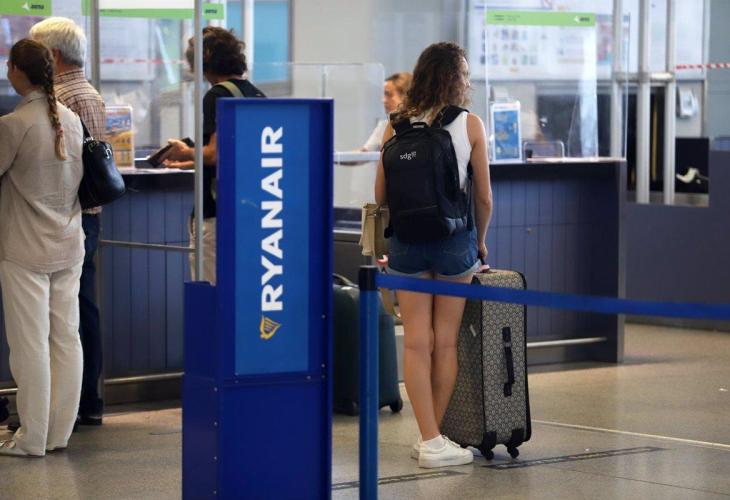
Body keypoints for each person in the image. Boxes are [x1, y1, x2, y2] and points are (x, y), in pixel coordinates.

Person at [374, 42, 493, 468]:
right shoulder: (469, 124)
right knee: (445, 341)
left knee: (416, 342)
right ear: (457, 79)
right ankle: (433, 439)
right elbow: (484, 197)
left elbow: (380, 196)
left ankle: (430, 437)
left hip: (407, 242)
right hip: (454, 241)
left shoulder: (395, 125)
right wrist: (480, 242)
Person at [0, 39, 85, 457]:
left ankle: (31, 438)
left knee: (30, 344)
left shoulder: (14, 124)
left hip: (25, 249)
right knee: (66, 338)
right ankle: (58, 433)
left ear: (18, 70)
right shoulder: (71, 120)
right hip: (68, 242)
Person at [29, 16, 107, 428]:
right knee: (78, 310)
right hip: (84, 217)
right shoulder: (87, 93)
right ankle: (83, 400)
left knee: (65, 315)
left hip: (67, 218)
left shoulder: (62, 98)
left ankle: (72, 404)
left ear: (53, 55)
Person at [161, 27, 265, 285]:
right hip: (249, 209)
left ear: (204, 60)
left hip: (216, 212)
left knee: (210, 287)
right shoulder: (255, 93)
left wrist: (185, 150)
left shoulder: (217, 94)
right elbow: (237, 153)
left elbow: (215, 153)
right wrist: (188, 161)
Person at [361, 72, 412, 152]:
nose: (383, 100)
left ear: (405, 96)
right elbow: (362, 154)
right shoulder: (384, 126)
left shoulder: (420, 125)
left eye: (388, 94)